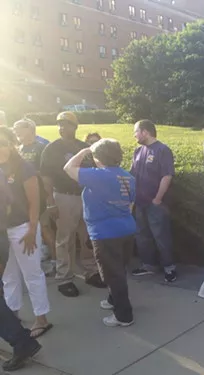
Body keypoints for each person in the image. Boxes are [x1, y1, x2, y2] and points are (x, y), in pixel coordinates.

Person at [63, 139, 136, 327]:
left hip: (105, 233)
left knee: (113, 274)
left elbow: (68, 168)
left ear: (97, 157)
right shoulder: (128, 177)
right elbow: (130, 204)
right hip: (126, 229)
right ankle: (114, 300)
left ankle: (123, 315)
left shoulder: (97, 175)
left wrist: (82, 152)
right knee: (119, 270)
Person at [40, 112, 104, 297]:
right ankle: (65, 277)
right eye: (59, 125)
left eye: (66, 124)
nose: (62, 128)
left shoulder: (84, 147)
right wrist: (50, 202)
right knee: (65, 238)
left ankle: (91, 271)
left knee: (88, 237)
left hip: (86, 196)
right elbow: (46, 177)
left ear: (75, 127)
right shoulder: (52, 149)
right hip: (64, 196)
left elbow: (97, 171)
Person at [0, 126, 52, 339]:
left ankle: (42, 318)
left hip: (23, 228)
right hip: (3, 231)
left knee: (32, 274)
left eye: (3, 143)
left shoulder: (23, 167)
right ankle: (13, 313)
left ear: (12, 144)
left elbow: (34, 201)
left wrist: (32, 229)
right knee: (9, 276)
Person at [130, 120, 176, 282]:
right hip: (140, 202)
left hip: (156, 204)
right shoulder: (138, 151)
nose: (134, 135)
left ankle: (169, 267)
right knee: (142, 235)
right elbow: (132, 176)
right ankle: (148, 265)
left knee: (161, 236)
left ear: (145, 132)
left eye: (136, 131)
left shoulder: (162, 150)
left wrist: (158, 198)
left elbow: (167, 175)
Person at [13, 119, 56, 275]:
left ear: (30, 129)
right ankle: (40, 256)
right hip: (23, 196)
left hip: (40, 194)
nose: (15, 131)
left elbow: (47, 173)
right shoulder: (19, 148)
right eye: (14, 128)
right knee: (32, 227)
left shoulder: (41, 148)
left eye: (19, 128)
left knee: (45, 227)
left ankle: (55, 261)